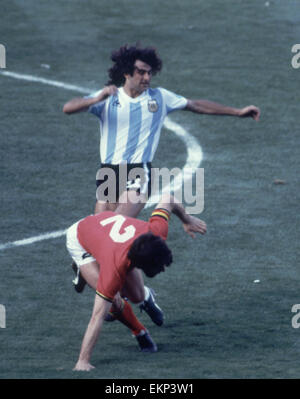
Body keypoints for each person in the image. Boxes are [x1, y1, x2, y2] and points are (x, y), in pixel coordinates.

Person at [63, 43, 260, 325]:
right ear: (126, 73)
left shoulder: (159, 98)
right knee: (100, 239)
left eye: (149, 73)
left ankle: (109, 292)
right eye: (141, 72)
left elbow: (195, 105)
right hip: (107, 174)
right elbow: (68, 108)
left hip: (138, 174)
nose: (147, 78)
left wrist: (237, 111)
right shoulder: (109, 98)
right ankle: (141, 296)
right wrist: (94, 100)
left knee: (112, 232)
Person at [66, 192, 207, 371]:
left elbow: (168, 199)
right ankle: (140, 332)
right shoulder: (114, 269)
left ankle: (143, 296)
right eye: (160, 266)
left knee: (137, 296)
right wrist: (83, 361)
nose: (163, 269)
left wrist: (186, 219)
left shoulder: (157, 232)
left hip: (106, 231)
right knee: (114, 301)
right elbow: (97, 317)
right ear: (140, 265)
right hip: (80, 240)